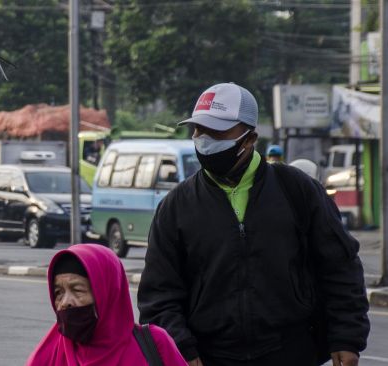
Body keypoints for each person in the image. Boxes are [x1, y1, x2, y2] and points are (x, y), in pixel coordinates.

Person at [138, 83, 369, 366]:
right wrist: (182, 350)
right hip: (210, 358)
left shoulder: (298, 191)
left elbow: (340, 267)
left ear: (249, 139)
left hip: (291, 353)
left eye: (217, 132)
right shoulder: (176, 206)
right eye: (198, 130)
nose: (203, 139)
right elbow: (158, 294)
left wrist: (346, 337)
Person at [27, 244, 187, 366]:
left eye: (77, 290)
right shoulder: (47, 357)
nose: (65, 302)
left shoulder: (154, 344)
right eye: (58, 292)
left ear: (107, 293)